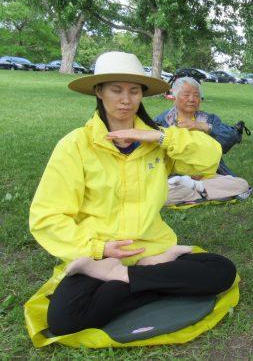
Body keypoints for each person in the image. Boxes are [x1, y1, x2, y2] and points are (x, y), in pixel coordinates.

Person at [26, 52, 237, 342]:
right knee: (64, 319)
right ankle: (142, 281)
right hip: (100, 257)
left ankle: (128, 279)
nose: (126, 99)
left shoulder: (157, 140)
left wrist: (162, 138)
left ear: (142, 95)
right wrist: (98, 249)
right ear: (99, 92)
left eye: (134, 91)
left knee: (221, 271)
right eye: (116, 90)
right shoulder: (75, 145)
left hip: (153, 252)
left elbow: (209, 158)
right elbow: (47, 217)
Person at [154, 77, 251, 204]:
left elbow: (231, 137)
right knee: (159, 191)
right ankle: (206, 192)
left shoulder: (208, 119)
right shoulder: (162, 121)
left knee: (241, 184)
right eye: (186, 95)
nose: (192, 99)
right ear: (175, 97)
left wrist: (203, 126)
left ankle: (195, 189)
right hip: (174, 177)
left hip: (208, 176)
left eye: (196, 95)